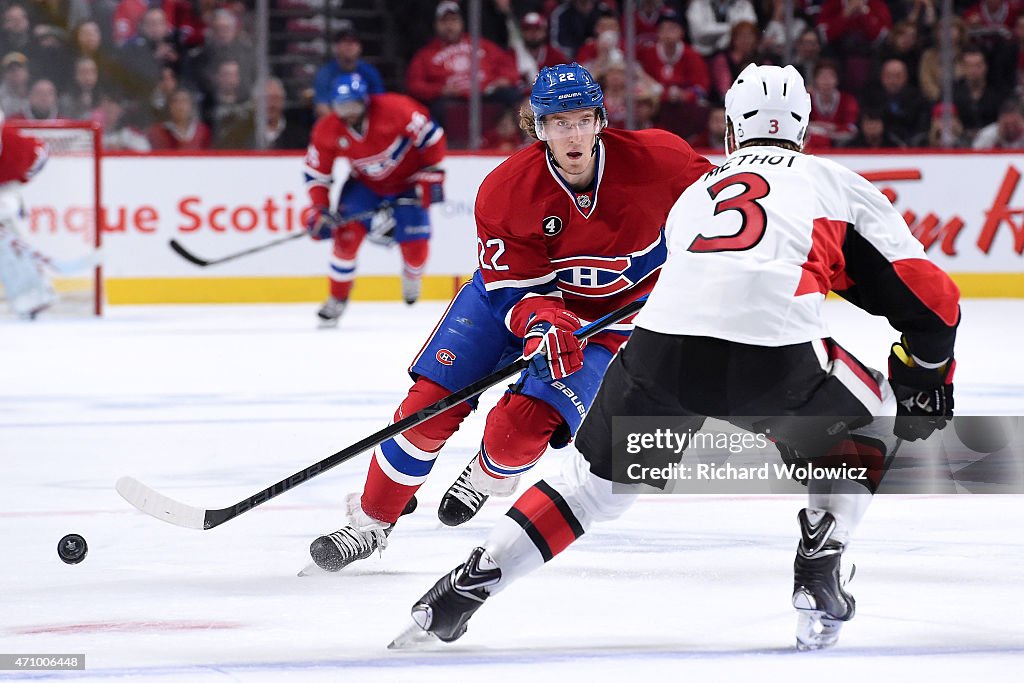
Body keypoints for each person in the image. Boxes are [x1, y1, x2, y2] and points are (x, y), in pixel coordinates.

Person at [398, 64, 960, 653]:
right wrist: (925, 379)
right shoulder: (835, 183)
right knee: (867, 426)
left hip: (660, 350)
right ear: (805, 128)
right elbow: (932, 299)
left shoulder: (698, 191)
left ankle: (468, 584)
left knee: (590, 492)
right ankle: (822, 554)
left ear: (730, 134)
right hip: (773, 357)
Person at [304, 63, 712, 573]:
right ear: (537, 127)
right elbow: (512, 288)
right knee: (427, 408)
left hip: (606, 324)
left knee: (517, 434)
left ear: (601, 120)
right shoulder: (506, 191)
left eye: (583, 119)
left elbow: (723, 207)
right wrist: (544, 322)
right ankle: (369, 524)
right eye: (559, 123)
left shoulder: (662, 160)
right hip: (508, 306)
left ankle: (485, 471)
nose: (574, 134)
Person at [302, 73, 446, 327]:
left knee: (415, 248)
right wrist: (320, 207)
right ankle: (337, 299)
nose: (348, 113)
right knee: (345, 237)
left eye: (353, 105)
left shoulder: (397, 109)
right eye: (342, 107)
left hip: (408, 183)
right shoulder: (328, 129)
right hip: (365, 186)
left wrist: (431, 173)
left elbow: (432, 138)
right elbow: (316, 174)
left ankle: (412, 276)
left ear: (365, 101)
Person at [0, 106, 56, 318]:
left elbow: (40, 154)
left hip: (4, 192)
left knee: (7, 247)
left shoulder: (13, 146)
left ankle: (34, 294)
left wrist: (14, 182)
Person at [311, 21, 384, 119]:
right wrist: (343, 128)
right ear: (337, 47)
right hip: (336, 123)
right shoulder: (325, 73)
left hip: (366, 122)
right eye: (344, 42)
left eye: (353, 42)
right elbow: (322, 107)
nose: (349, 46)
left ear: (360, 47)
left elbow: (380, 102)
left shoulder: (369, 72)